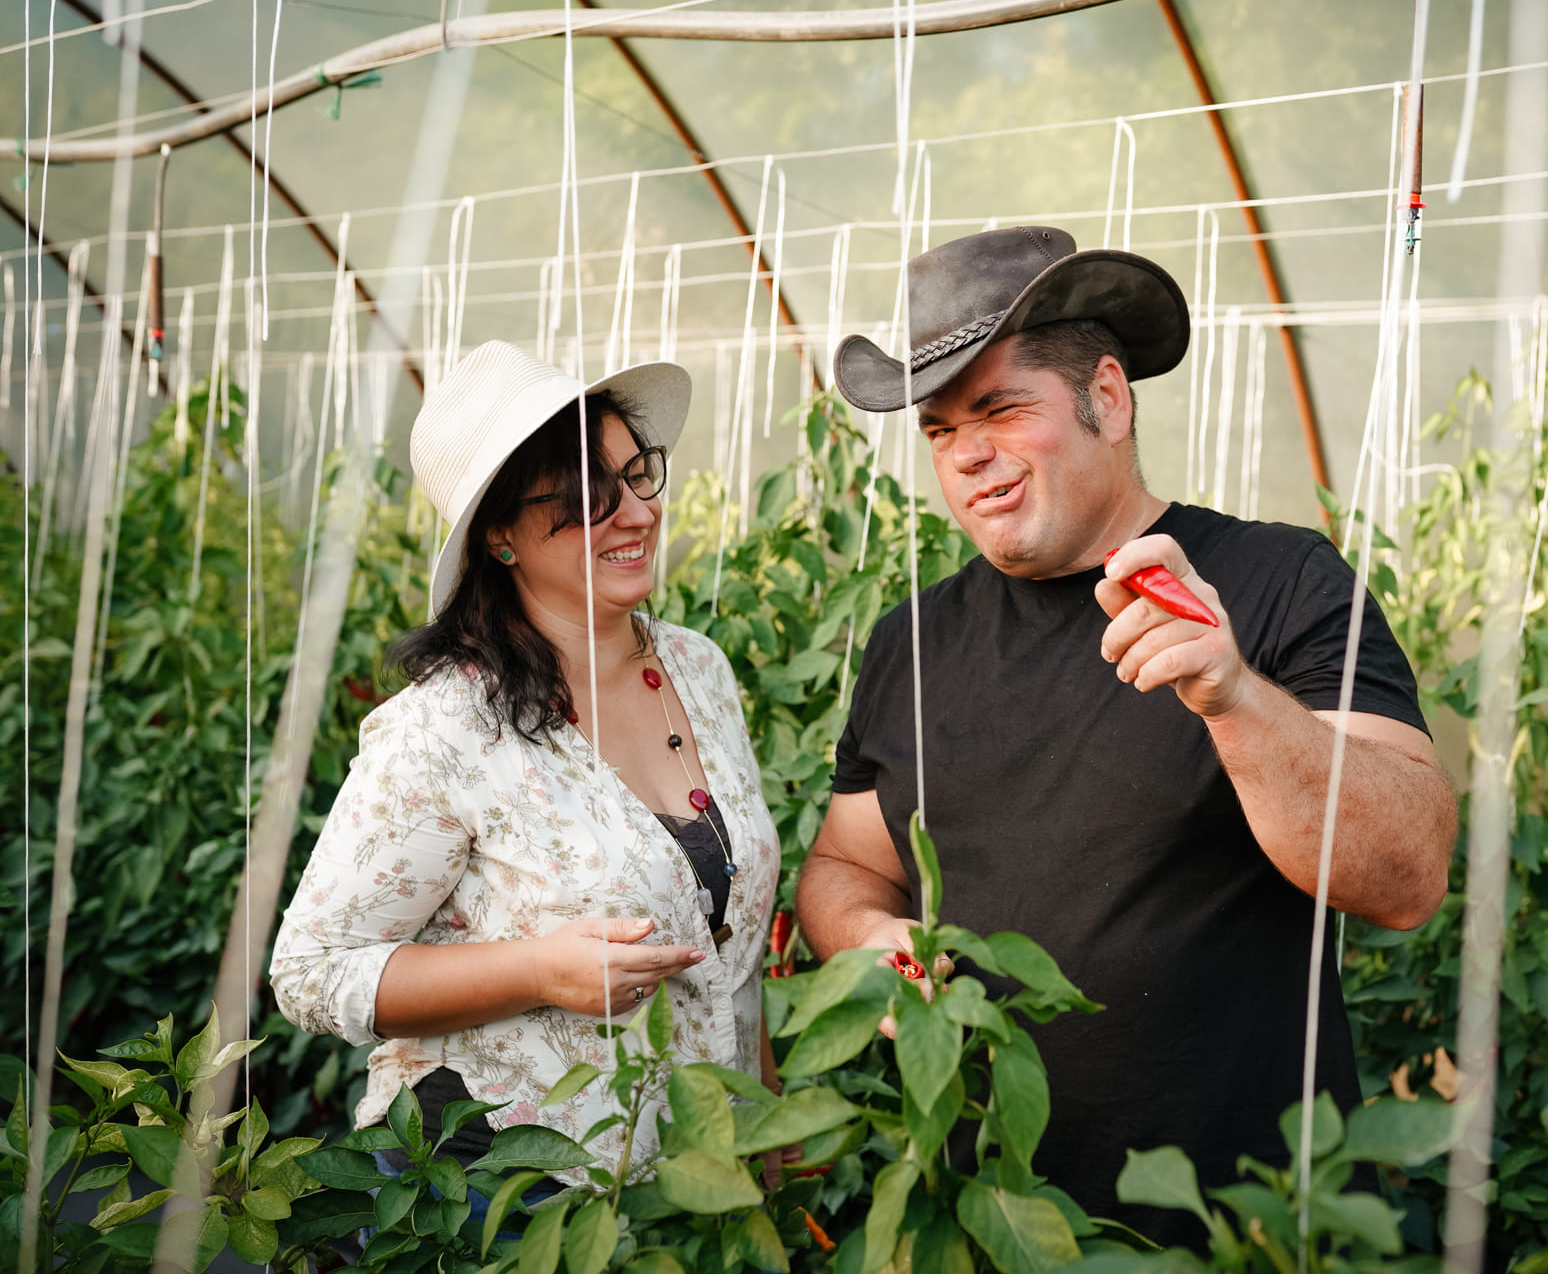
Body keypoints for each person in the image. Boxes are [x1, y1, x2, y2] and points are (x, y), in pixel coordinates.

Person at [797, 226, 1457, 1239]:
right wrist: (869, 936)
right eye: (938, 429)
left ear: (1108, 394)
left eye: (1001, 407)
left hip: (1246, 1225)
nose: (967, 452)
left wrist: (1234, 692)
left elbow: (1406, 872)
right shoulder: (913, 641)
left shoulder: (1280, 584)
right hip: (999, 1224)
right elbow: (845, 865)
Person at [272, 341, 784, 1185]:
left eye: (637, 474)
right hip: (502, 1190)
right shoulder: (444, 729)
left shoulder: (697, 671)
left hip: (685, 1182)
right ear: (501, 535)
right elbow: (311, 973)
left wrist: (760, 1114)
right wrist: (540, 970)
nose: (636, 514)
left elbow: (726, 941)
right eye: (587, 496)